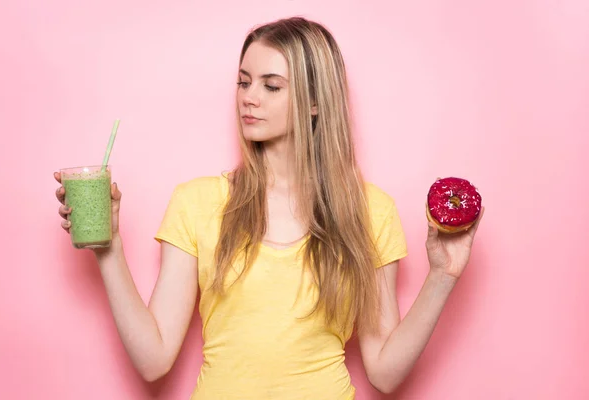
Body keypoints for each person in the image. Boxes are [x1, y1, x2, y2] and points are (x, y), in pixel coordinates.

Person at [54, 16, 484, 400]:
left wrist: (443, 276)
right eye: (243, 82)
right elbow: (153, 360)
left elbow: (385, 373)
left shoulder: (371, 211)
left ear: (316, 102)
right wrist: (106, 248)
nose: (249, 97)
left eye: (271, 85)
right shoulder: (197, 201)